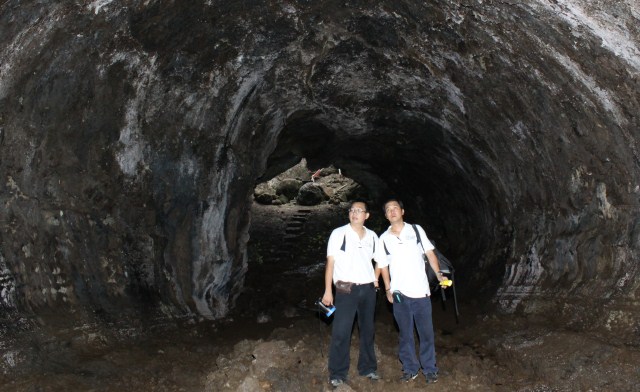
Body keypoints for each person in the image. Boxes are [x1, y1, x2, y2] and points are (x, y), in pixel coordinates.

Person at [375, 198, 447, 384]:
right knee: (405, 334)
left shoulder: (415, 230)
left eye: (395, 208)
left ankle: (430, 369)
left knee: (426, 333)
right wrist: (388, 289)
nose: (392, 211)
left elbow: (430, 253)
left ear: (402, 211)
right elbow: (383, 266)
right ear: (385, 215)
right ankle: (410, 368)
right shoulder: (383, 238)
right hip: (399, 293)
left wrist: (439, 274)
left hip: (421, 291)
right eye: (388, 209)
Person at [322, 200, 381, 388]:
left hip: (368, 289)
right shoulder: (339, 233)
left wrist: (375, 279)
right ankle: (338, 373)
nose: (354, 213)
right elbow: (330, 263)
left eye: (359, 210)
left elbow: (380, 260)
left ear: (367, 215)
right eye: (352, 210)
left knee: (367, 330)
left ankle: (368, 368)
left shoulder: (372, 236)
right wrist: (328, 290)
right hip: (345, 289)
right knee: (341, 331)